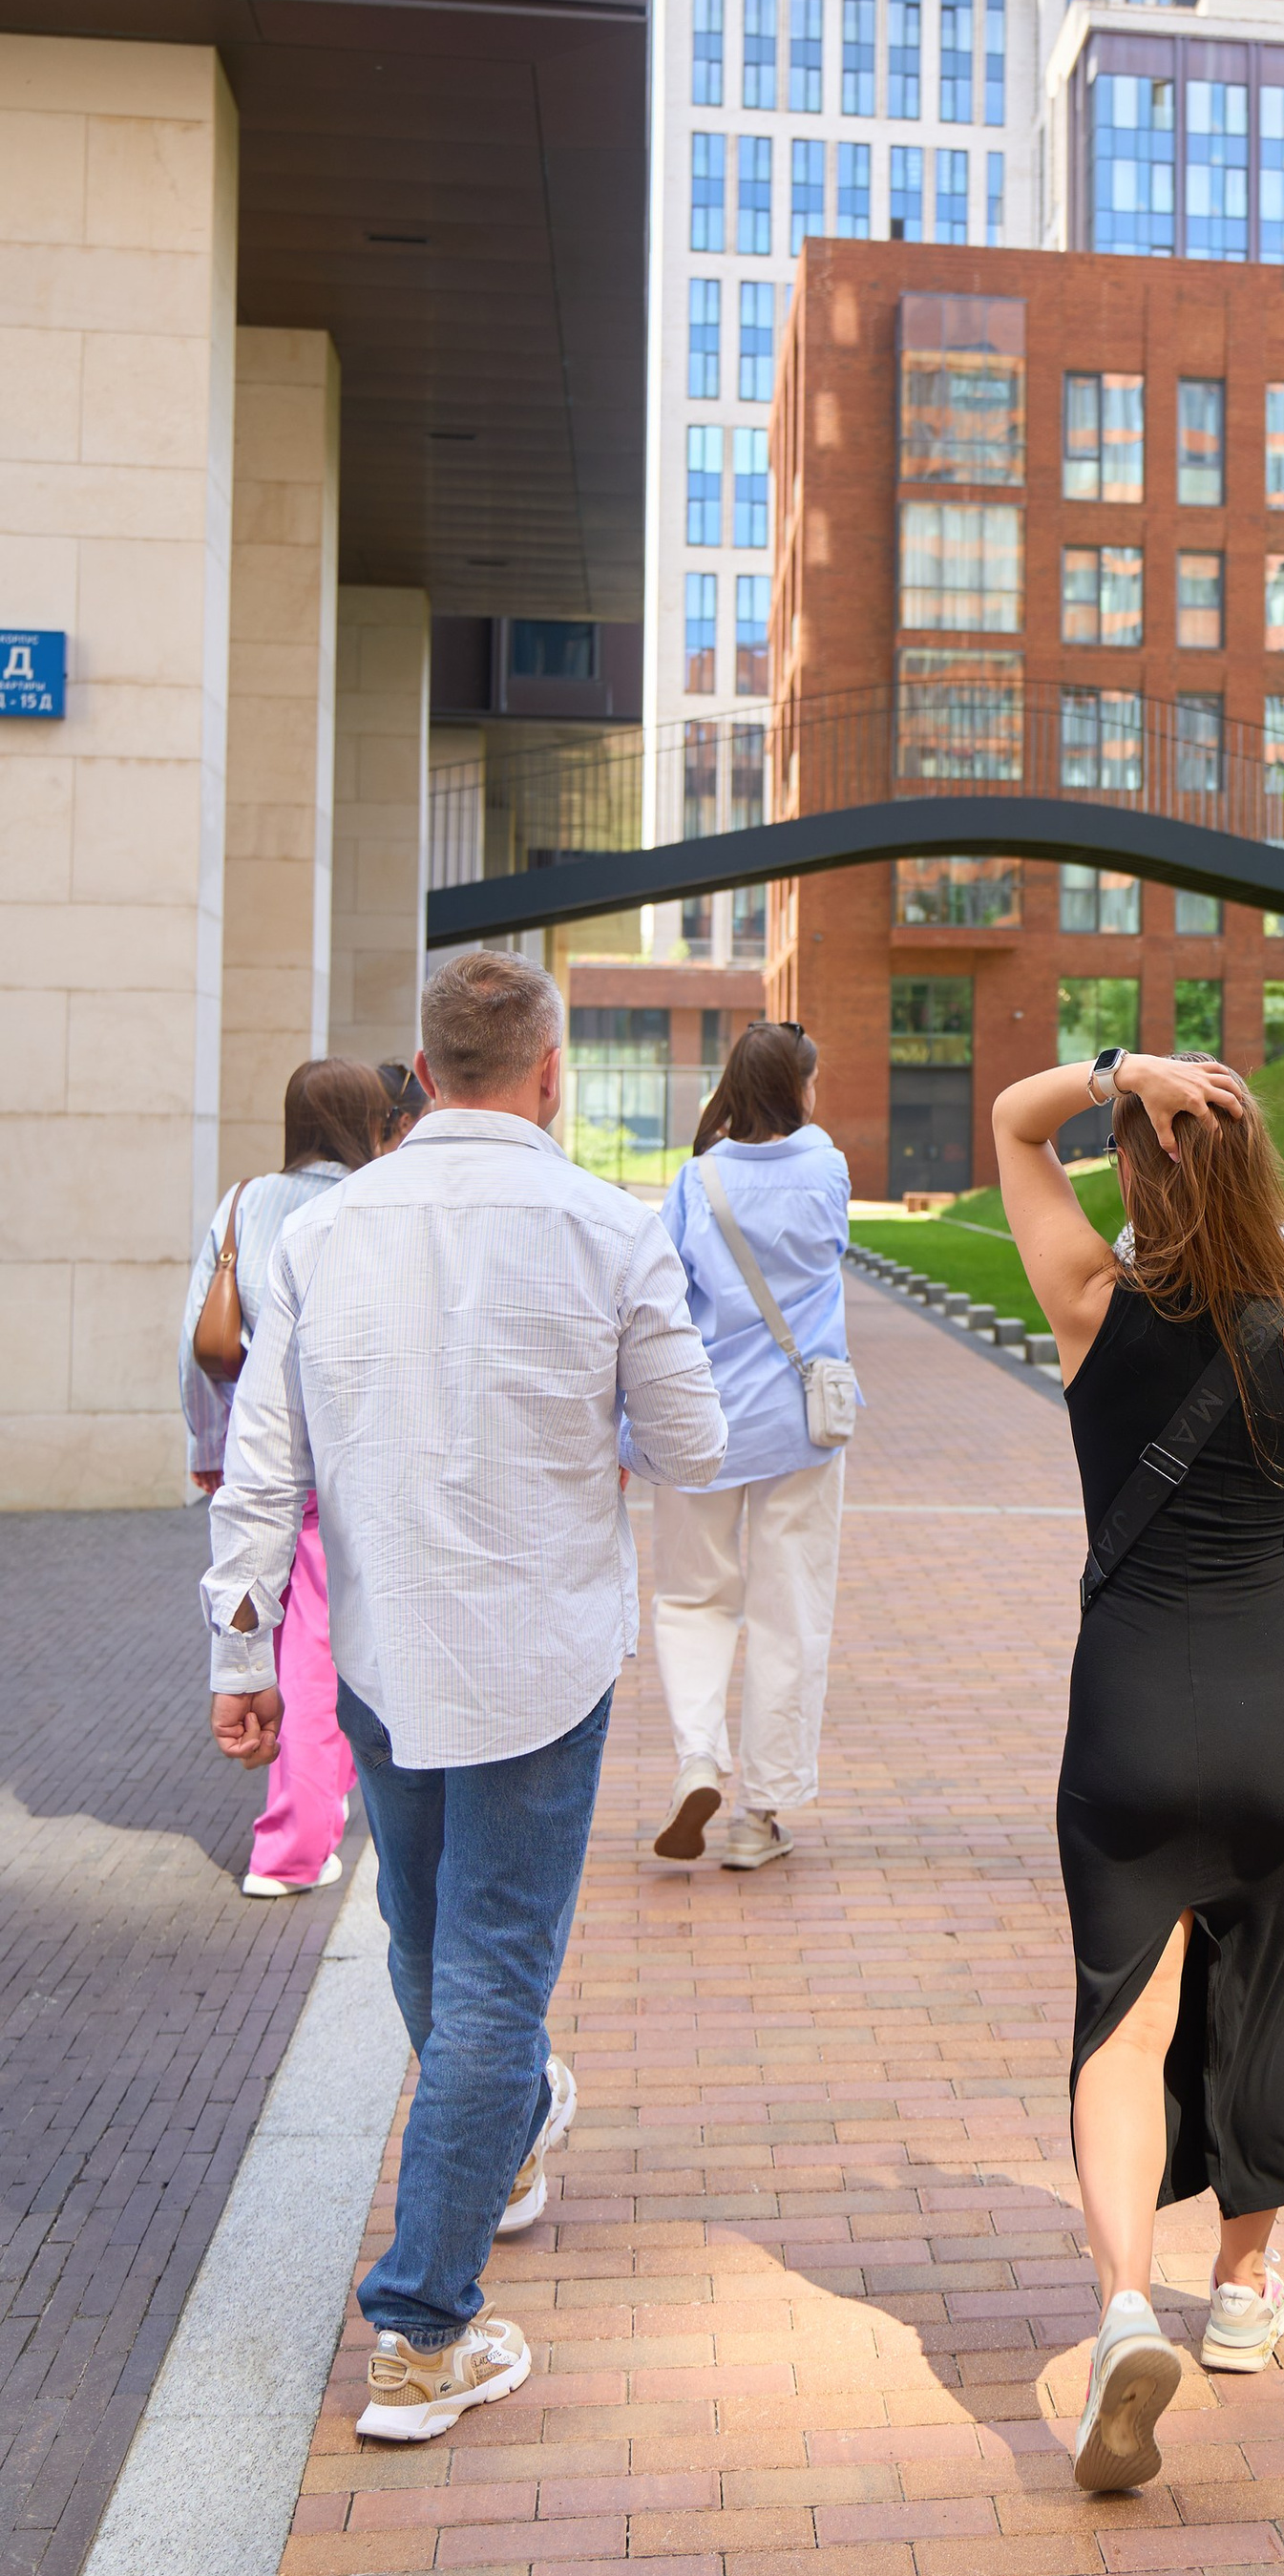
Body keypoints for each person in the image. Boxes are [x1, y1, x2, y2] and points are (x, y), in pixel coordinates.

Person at [202, 949, 726, 2443]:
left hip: (378, 1646)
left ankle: (489, 2154)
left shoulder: (326, 1230)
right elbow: (689, 1450)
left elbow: (262, 1470)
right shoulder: (610, 1228)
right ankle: (425, 2327)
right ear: (549, 1074)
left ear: (422, 1077)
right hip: (542, 1656)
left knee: (430, 1942)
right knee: (490, 1974)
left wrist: (243, 1656)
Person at [993, 1042, 1284, 2497]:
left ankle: (1119, 2312)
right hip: (1281, 1719)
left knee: (1123, 2017)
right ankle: (1240, 2292)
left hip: (1128, 1715)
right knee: (1265, 1993)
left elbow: (1009, 1124)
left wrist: (1117, 1070)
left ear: (1138, 1163)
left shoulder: (1091, 1303)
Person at [644, 1018, 852, 1874]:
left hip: (701, 1424)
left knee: (695, 1599)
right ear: (799, 1088)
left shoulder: (698, 1181)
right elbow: (834, 1246)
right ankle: (758, 1817)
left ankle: (699, 1755)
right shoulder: (828, 1165)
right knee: (788, 1611)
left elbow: (661, 1296)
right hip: (801, 1425)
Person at [182, 1057, 390, 1897]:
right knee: (324, 1650)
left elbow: (197, 1340)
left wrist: (208, 1446)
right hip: (349, 1458)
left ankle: (308, 1823)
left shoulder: (240, 1205)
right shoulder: (372, 1207)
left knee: (284, 1639)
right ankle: (296, 1844)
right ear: (371, 1122)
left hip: (258, 1454)